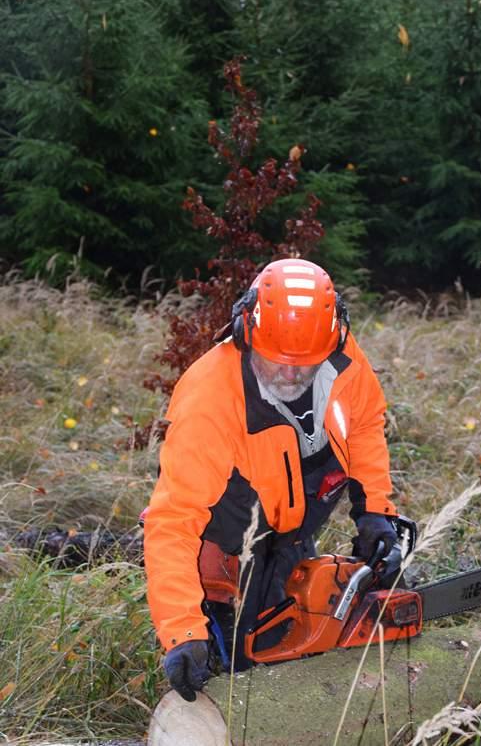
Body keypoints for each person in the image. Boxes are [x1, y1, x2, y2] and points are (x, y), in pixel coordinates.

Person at [143, 258, 401, 701]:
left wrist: (375, 511)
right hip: (225, 548)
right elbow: (172, 523)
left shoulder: (341, 355)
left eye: (304, 363)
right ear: (246, 332)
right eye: (277, 360)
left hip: (293, 531)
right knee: (234, 679)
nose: (289, 374)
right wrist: (182, 629)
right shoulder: (210, 400)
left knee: (298, 655)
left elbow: (365, 424)